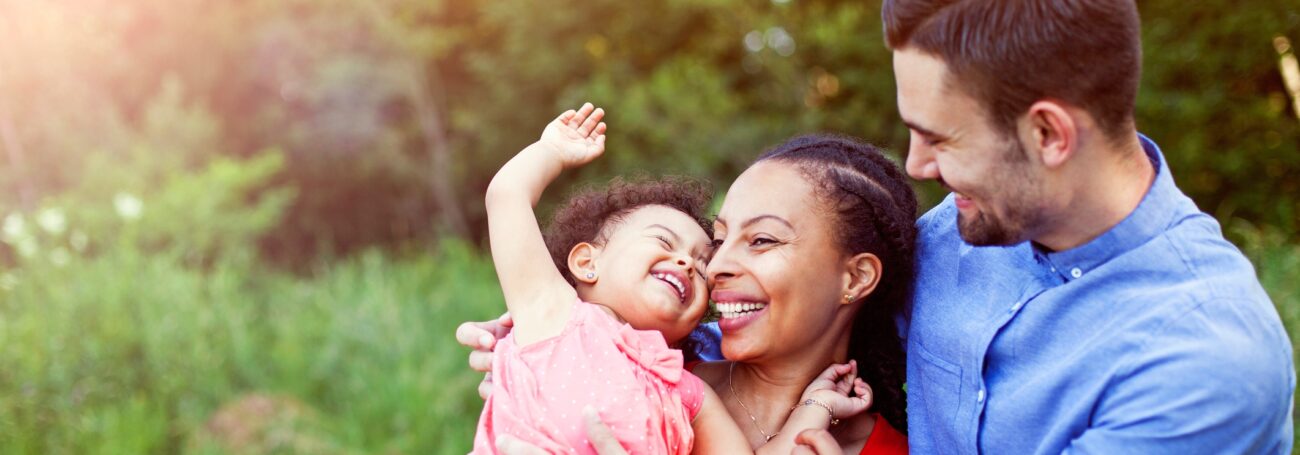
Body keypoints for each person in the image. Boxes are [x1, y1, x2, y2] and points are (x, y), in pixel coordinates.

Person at [885, 0, 1294, 452]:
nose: (916, 165)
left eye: (939, 138)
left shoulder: (1201, 358)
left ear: (1049, 134)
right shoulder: (955, 231)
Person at [461, 134, 917, 454]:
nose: (714, 267)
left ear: (855, 279)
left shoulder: (687, 395)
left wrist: (815, 410)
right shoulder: (664, 371)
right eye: (720, 241)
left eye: (762, 240)